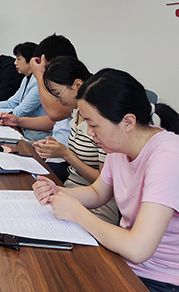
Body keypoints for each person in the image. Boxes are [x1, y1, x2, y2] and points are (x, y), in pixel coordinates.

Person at [33, 69, 179, 292]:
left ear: (128, 122)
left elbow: (138, 249)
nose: (90, 133)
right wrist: (57, 192)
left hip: (160, 278)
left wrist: (77, 214)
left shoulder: (168, 156)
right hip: (123, 260)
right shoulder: (118, 146)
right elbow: (98, 193)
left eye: (94, 125)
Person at [33, 57, 119, 224]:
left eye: (58, 93)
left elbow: (103, 186)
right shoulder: (76, 112)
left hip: (96, 205)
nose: (57, 100)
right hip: (72, 191)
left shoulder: (103, 124)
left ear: (77, 85)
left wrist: (66, 154)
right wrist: (55, 147)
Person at [0, 42, 47, 120]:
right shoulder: (26, 79)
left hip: (34, 127)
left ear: (33, 60)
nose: (15, 63)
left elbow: (19, 112)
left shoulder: (38, 82)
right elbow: (11, 103)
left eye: (18, 59)